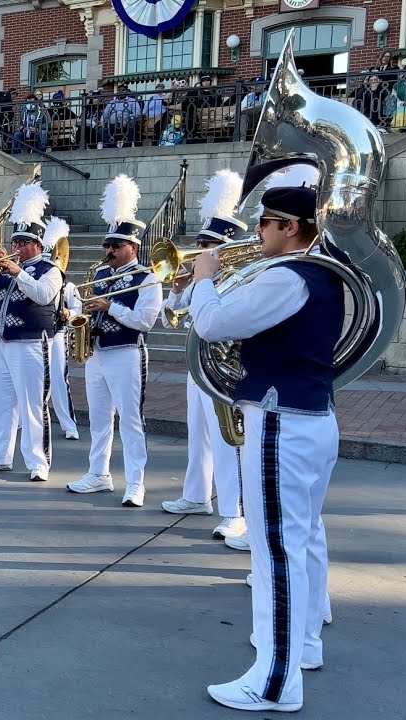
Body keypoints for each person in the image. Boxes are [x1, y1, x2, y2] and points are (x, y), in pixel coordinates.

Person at [191, 182, 337, 714]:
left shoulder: (287, 275)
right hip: (309, 419)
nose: (255, 234)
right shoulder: (322, 272)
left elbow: (212, 324)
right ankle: (303, 648)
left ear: (290, 227)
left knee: (275, 551)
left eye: (264, 224)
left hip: (281, 423)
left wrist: (205, 280)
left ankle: (275, 683)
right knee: (304, 540)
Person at [161, 170, 248, 544]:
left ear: (224, 248)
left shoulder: (240, 276)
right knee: (198, 434)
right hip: (198, 364)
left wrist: (203, 282)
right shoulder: (203, 278)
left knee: (227, 441)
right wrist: (181, 287)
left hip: (226, 366)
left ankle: (235, 513)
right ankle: (197, 496)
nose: (198, 250)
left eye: (206, 245)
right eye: (198, 243)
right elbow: (172, 312)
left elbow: (225, 317)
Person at [66, 175, 162, 506]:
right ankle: (99, 474)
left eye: (116, 246)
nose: (109, 251)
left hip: (126, 352)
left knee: (131, 419)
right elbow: (87, 308)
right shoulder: (100, 273)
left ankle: (136, 482)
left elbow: (145, 321)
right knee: (99, 417)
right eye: (107, 245)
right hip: (97, 352)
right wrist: (78, 310)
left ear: (132, 247)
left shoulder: (146, 277)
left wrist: (110, 306)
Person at [0, 182, 60, 481]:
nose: (17, 247)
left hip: (30, 342)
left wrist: (18, 272)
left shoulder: (49, 269)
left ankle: (38, 462)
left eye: (23, 242)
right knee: (0, 402)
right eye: (15, 242)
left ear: (37, 244)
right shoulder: (3, 267)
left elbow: (44, 296)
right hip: (0, 341)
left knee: (33, 404)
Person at [44, 217, 80, 440]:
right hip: (35, 336)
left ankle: (69, 424)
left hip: (56, 334)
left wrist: (69, 314)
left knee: (58, 378)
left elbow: (78, 307)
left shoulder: (68, 286)